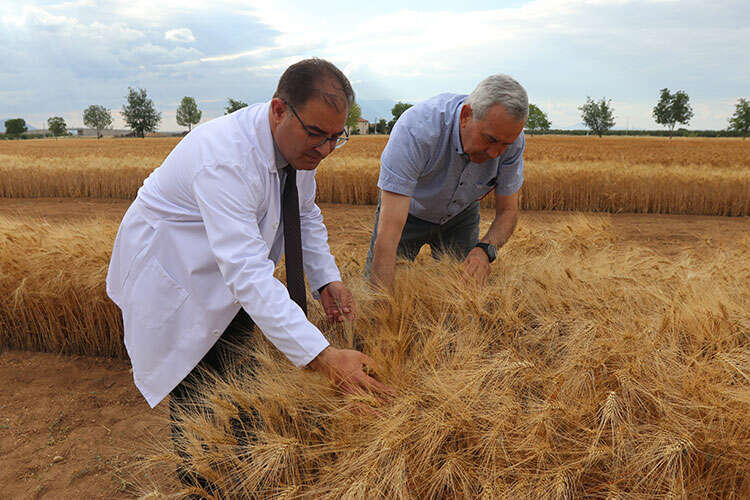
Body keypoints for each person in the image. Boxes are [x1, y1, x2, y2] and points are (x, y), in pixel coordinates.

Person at [106, 58, 390, 488]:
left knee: (239, 362)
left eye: (336, 137)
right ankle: (202, 481)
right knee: (198, 380)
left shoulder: (298, 149)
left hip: (224, 267)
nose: (325, 149)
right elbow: (248, 273)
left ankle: (239, 460)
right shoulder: (224, 159)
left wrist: (325, 279)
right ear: (279, 109)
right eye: (316, 134)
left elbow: (304, 214)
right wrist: (326, 359)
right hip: (175, 271)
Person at [365, 74, 528, 291]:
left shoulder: (512, 140)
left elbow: (508, 212)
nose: (495, 153)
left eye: (505, 145)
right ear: (466, 115)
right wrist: (381, 306)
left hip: (461, 216)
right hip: (407, 214)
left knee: (463, 295)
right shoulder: (416, 130)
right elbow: (388, 237)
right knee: (380, 287)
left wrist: (484, 250)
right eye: (490, 139)